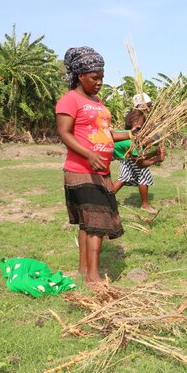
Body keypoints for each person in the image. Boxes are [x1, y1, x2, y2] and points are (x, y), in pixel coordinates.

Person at [55, 46, 133, 283]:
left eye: (102, 77)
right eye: (94, 77)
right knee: (96, 223)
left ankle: (83, 270)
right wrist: (89, 154)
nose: (99, 82)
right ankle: (93, 278)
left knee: (87, 223)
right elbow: (64, 133)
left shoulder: (97, 101)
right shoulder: (70, 99)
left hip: (101, 171)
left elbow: (106, 133)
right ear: (80, 76)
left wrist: (131, 134)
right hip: (82, 171)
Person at [113, 93, 162, 215]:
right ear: (143, 105)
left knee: (124, 176)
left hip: (129, 149)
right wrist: (157, 158)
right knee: (143, 175)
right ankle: (145, 205)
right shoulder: (137, 116)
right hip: (130, 147)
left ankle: (104, 200)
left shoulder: (132, 113)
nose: (150, 108)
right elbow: (140, 162)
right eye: (149, 106)